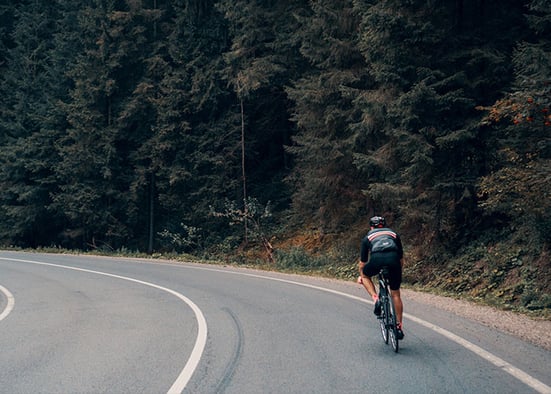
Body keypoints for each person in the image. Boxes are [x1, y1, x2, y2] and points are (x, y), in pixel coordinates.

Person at [358, 216, 405, 339]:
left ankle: (376, 298)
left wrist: (361, 276)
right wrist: (397, 271)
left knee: (365, 274)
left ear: (371, 227)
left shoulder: (367, 237)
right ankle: (399, 327)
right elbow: (401, 258)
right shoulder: (393, 234)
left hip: (376, 259)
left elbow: (363, 263)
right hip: (394, 260)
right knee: (395, 294)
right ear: (384, 225)